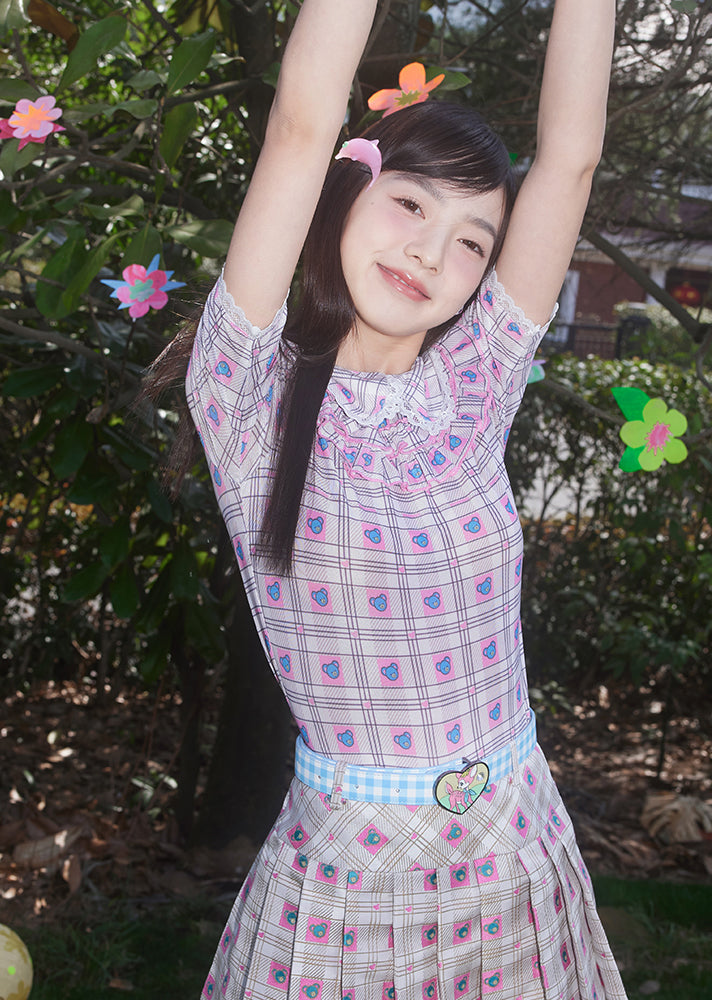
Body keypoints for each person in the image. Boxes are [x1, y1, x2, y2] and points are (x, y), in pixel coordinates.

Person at [154, 0, 626, 996]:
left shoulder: (477, 385)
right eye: (410, 204)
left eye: (470, 241)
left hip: (518, 861)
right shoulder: (246, 397)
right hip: (346, 894)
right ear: (349, 193)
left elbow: (572, 156)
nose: (429, 251)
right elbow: (301, 116)